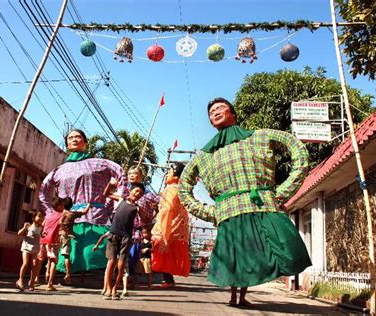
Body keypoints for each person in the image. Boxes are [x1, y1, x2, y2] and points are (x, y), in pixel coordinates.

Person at [178, 97, 311, 307]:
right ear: (211, 121)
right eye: (211, 112)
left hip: (263, 205)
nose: (215, 112)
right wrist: (210, 212)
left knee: (287, 250)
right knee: (235, 258)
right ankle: (234, 297)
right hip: (228, 212)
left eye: (220, 108)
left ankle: (241, 297)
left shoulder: (260, 136)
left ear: (233, 114)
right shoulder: (202, 156)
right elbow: (183, 189)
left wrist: (282, 193)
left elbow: (297, 148)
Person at [40, 129, 127, 273]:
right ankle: (66, 274)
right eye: (70, 138)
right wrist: (51, 212)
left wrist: (119, 201)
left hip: (97, 215)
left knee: (92, 252)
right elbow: (43, 190)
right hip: (68, 218)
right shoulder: (58, 170)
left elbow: (120, 173)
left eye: (78, 137)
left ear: (85, 142)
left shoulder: (99, 163)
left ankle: (98, 273)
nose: (74, 140)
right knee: (67, 251)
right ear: (67, 144)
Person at [102, 179, 145, 300]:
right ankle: (109, 289)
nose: (138, 194)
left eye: (140, 193)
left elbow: (146, 219)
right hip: (114, 234)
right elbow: (106, 194)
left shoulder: (137, 208)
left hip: (126, 237)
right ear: (131, 190)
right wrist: (110, 184)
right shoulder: (121, 199)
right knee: (111, 262)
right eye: (137, 191)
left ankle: (116, 288)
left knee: (121, 265)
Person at [151, 162, 190, 287]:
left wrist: (164, 233)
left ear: (176, 177)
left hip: (168, 227)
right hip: (176, 228)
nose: (167, 175)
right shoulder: (181, 190)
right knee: (169, 253)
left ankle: (166, 279)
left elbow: (167, 211)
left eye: (169, 172)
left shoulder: (172, 189)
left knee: (162, 251)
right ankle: (167, 278)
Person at [123, 166, 159, 295]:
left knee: (132, 256)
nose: (132, 176)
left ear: (141, 176)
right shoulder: (123, 190)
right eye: (129, 173)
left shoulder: (148, 194)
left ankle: (130, 278)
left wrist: (154, 213)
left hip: (138, 230)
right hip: (122, 227)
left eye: (135, 173)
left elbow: (160, 204)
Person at [59, 197, 91, 286]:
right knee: (66, 255)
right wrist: (89, 205)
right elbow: (84, 212)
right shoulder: (71, 214)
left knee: (57, 256)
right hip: (65, 236)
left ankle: (50, 276)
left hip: (58, 236)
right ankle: (68, 275)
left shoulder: (61, 213)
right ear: (71, 205)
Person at [35, 196, 65, 291]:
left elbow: (42, 225)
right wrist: (66, 232)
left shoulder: (48, 215)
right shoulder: (61, 215)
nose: (64, 207)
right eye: (63, 205)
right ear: (59, 206)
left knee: (40, 259)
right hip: (53, 241)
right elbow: (61, 224)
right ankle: (50, 284)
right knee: (53, 261)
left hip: (43, 239)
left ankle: (35, 279)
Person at [16, 209, 45, 291]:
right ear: (33, 217)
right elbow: (19, 233)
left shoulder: (41, 227)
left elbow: (41, 235)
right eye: (39, 216)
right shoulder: (28, 225)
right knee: (25, 263)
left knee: (35, 265)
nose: (41, 218)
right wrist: (24, 228)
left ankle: (31, 282)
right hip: (26, 247)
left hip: (35, 249)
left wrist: (43, 235)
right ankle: (20, 280)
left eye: (42, 217)